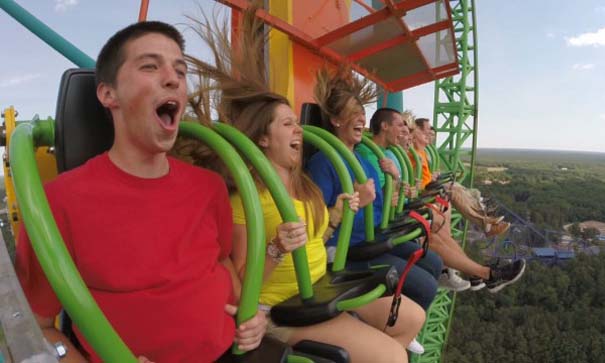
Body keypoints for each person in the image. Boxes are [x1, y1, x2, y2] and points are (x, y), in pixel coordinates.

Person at [15, 21, 266, 363]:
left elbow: (219, 261)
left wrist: (249, 314)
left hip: (231, 354)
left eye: (180, 70)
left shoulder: (208, 187)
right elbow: (41, 328)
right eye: (150, 66)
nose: (173, 78)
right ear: (108, 94)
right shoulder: (57, 202)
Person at [185, 10, 425, 363]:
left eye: (298, 123)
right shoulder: (245, 199)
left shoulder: (303, 187)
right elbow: (239, 281)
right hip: (280, 307)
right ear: (263, 138)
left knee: (413, 317)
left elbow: (317, 240)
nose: (299, 131)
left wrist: (338, 215)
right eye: (288, 124)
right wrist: (276, 248)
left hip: (317, 287)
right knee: (392, 358)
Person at [305, 66, 443, 319]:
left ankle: (396, 318)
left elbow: (378, 204)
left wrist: (393, 192)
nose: (361, 120)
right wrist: (355, 205)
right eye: (354, 114)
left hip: (370, 235)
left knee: (434, 263)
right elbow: (318, 225)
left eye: (362, 114)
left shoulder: (364, 161)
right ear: (336, 120)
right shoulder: (323, 163)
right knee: (425, 287)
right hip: (344, 246)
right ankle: (394, 328)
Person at [410, 118, 510, 238]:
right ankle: (485, 223)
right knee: (454, 191)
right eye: (426, 131)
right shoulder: (413, 154)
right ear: (415, 133)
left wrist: (432, 176)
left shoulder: (422, 152)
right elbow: (412, 179)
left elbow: (421, 176)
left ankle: (485, 218)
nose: (429, 134)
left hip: (428, 186)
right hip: (424, 191)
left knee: (459, 188)